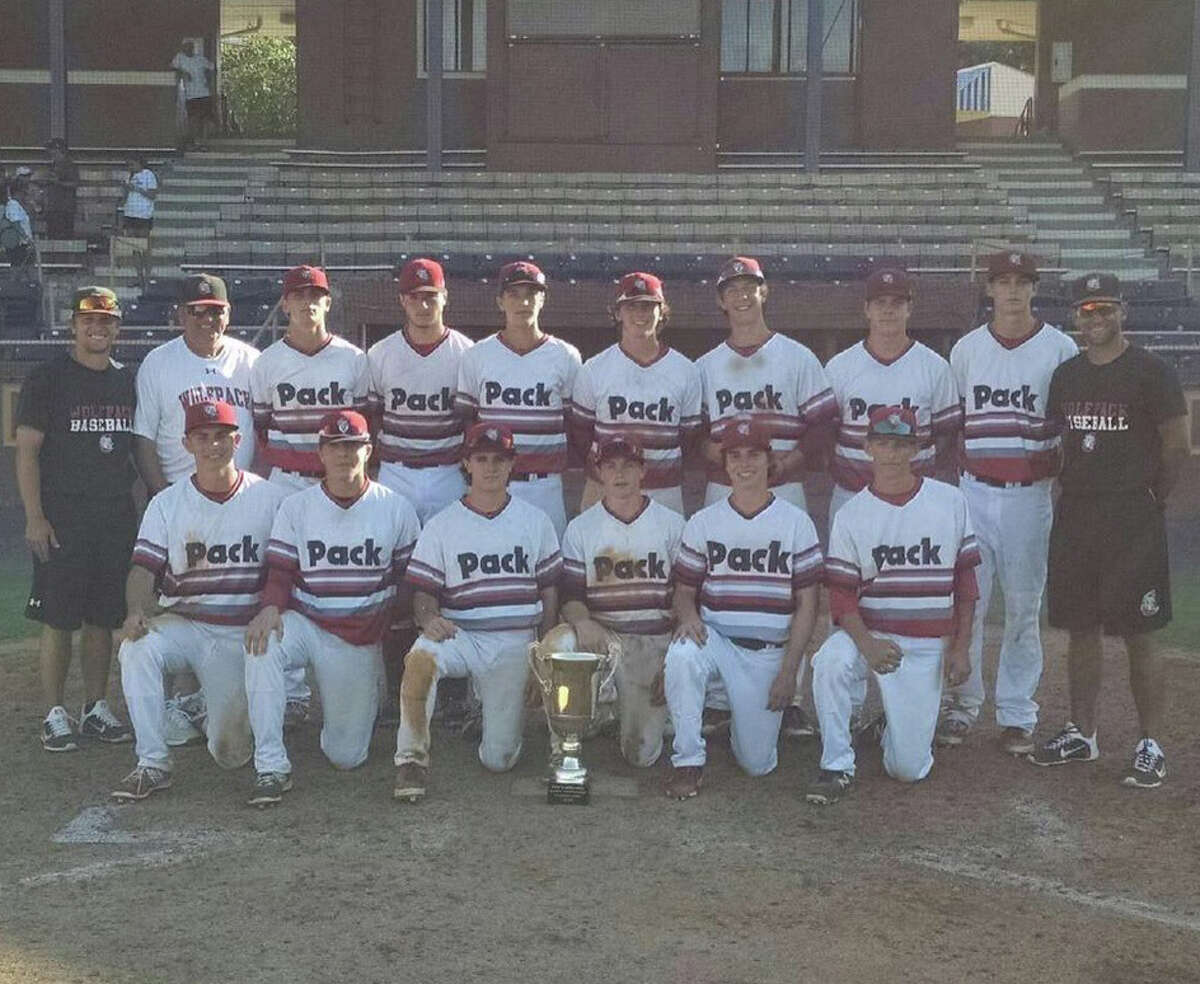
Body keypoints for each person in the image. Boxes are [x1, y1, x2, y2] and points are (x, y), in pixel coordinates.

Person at [1032, 273, 1190, 788]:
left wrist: (1151, 496)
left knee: (1140, 632)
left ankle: (1151, 743)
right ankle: (1084, 731)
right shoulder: (1068, 375)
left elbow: (1176, 447)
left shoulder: (1152, 372)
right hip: (1078, 514)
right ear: (1075, 317)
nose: (1096, 319)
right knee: (1080, 628)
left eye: (1105, 309)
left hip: (1131, 517)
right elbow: (1062, 443)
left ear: (1123, 311)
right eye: (1086, 311)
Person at [111, 401, 287, 801]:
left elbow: (284, 571)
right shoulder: (167, 503)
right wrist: (137, 610)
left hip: (242, 632)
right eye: (203, 437)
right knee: (136, 648)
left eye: (222, 436)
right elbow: (142, 570)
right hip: (184, 624)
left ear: (237, 441)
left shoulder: (270, 498)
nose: (213, 446)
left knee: (230, 753)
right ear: (186, 443)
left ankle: (201, 706)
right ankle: (152, 762)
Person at [938, 251, 1078, 755]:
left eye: (1023, 282)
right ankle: (962, 704)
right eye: (1003, 281)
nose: (1013, 291)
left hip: (1028, 496)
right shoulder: (968, 349)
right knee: (968, 604)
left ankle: (1018, 712)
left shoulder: (1060, 348)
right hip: (974, 490)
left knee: (1023, 607)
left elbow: (1067, 426)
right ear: (989, 289)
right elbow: (953, 425)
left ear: (1034, 289)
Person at [243, 410, 420, 806]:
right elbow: (281, 571)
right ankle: (270, 765)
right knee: (262, 642)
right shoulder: (296, 507)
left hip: (357, 638)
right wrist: (271, 607)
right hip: (305, 622)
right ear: (320, 453)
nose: (344, 455)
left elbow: (409, 583)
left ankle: (355, 697)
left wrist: (387, 640)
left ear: (368, 451)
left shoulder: (396, 507)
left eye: (353, 447)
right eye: (335, 447)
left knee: (347, 757)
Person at [807, 406, 980, 805]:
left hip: (924, 644)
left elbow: (966, 583)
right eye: (883, 442)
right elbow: (841, 595)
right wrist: (867, 645)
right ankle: (836, 764)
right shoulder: (851, 513)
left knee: (907, 771)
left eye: (901, 443)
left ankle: (887, 727)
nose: (892, 453)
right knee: (830, 659)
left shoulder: (949, 501)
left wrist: (960, 646)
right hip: (869, 634)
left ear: (917, 447)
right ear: (867, 447)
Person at [393, 423, 562, 802]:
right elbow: (423, 592)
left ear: (512, 464)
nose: (490, 468)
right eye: (481, 459)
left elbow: (549, 587)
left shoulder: (534, 520)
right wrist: (427, 617)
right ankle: (411, 760)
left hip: (515, 641)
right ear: (466, 463)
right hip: (462, 635)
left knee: (500, 760)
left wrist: (544, 646)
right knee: (421, 658)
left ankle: (484, 712)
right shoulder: (443, 524)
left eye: (499, 460)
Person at [661, 416, 823, 799]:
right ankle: (688, 760)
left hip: (767, 653)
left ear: (770, 460)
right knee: (683, 655)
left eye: (754, 454)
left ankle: (738, 717)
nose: (744, 464)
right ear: (725, 462)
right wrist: (687, 615)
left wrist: (789, 672)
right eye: (735, 455)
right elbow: (683, 589)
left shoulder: (796, 523)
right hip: (717, 639)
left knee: (757, 764)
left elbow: (808, 605)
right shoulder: (704, 521)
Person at [131, 272, 259, 744]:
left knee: (226, 597)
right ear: (180, 314)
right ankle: (171, 701)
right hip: (176, 500)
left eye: (216, 310)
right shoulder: (159, 363)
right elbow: (144, 437)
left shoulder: (249, 360)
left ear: (228, 312)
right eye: (197, 311)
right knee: (171, 600)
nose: (208, 319)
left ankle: (204, 694)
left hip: (236, 500)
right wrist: (164, 496)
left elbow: (259, 432)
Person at [15, 287, 137, 752]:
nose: (97, 329)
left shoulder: (127, 381)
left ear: (117, 329)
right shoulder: (48, 378)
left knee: (103, 619)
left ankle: (95, 706)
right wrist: (34, 517)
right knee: (59, 620)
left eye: (106, 321)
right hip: (63, 518)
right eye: (89, 321)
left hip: (113, 517)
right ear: (73, 326)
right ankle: (53, 712)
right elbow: (27, 453)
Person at [250, 264, 369, 723]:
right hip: (286, 482)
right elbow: (262, 430)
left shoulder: (353, 360)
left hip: (338, 483)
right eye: (298, 296)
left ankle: (348, 668)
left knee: (339, 568)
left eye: (315, 295)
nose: (307, 303)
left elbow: (363, 428)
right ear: (285, 304)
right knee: (283, 572)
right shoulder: (267, 363)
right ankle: (294, 688)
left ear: (328, 302)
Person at [547, 436, 686, 767]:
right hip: (603, 636)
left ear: (643, 471)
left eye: (628, 466)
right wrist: (582, 621)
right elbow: (571, 593)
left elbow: (687, 592)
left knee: (641, 755)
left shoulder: (671, 524)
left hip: (652, 642)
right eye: (610, 466)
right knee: (563, 641)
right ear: (598, 472)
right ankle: (566, 743)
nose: (619, 474)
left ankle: (632, 712)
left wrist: (676, 660)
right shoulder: (581, 527)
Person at [695, 256, 838, 511]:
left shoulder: (798, 357)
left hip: (785, 489)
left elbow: (824, 426)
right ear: (720, 300)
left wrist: (788, 463)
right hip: (723, 491)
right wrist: (712, 451)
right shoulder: (705, 366)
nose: (742, 297)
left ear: (764, 292)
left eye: (749, 288)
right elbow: (693, 432)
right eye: (732, 290)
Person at [823, 267, 960, 521]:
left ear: (909, 308)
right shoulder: (840, 367)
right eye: (880, 302)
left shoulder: (935, 367)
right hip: (852, 495)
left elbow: (946, 436)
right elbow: (827, 434)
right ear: (867, 309)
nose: (888, 310)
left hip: (916, 500)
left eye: (897, 303)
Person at [455, 260, 581, 538]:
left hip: (545, 485)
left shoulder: (566, 356)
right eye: (514, 294)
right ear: (500, 301)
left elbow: (575, 424)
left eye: (531, 293)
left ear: (543, 299)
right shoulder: (477, 355)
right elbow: (468, 424)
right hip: (493, 484)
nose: (523, 302)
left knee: (548, 567)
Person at [569, 272, 702, 515]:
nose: (640, 314)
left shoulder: (686, 370)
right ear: (618, 312)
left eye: (648, 307)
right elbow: (580, 434)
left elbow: (688, 437)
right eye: (631, 307)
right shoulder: (594, 369)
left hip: (664, 492)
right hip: (604, 489)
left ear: (661, 312)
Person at [367, 257, 473, 523]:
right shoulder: (380, 353)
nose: (423, 305)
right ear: (402, 300)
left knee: (448, 553)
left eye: (430, 296)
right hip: (395, 472)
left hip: (448, 473)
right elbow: (373, 416)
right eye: (414, 297)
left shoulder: (467, 353)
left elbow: (472, 420)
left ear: (445, 297)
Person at [171, 39, 215, 148]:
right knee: (193, 118)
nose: (189, 49)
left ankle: (204, 141)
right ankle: (195, 141)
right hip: (191, 94)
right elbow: (172, 67)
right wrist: (183, 72)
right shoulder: (180, 58)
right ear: (183, 48)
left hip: (204, 93)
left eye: (191, 46)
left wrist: (209, 81)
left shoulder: (200, 58)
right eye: (186, 46)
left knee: (205, 118)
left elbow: (212, 68)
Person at [42, 139, 78, 240]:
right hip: (53, 208)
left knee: (63, 238)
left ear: (59, 150)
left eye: (52, 149)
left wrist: (59, 183)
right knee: (52, 236)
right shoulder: (53, 165)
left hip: (64, 208)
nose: (50, 152)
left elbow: (75, 183)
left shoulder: (69, 165)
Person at [120, 157, 158, 238]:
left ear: (139, 163)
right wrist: (125, 189)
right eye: (128, 165)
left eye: (132, 165)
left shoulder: (149, 175)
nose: (130, 167)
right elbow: (125, 196)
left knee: (142, 240)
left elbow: (152, 195)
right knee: (129, 239)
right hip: (129, 212)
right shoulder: (128, 175)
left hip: (143, 214)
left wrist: (137, 189)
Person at [2, 175, 35, 267]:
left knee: (25, 266)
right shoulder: (13, 205)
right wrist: (26, 238)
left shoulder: (19, 206)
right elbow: (16, 224)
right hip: (19, 243)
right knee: (18, 266)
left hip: (23, 243)